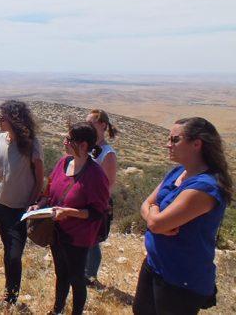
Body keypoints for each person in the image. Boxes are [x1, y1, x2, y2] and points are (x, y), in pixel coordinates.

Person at [133, 117, 232, 315]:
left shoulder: (205, 187)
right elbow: (146, 205)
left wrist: (154, 215)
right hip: (156, 264)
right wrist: (154, 214)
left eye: (175, 139)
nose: (167, 144)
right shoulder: (177, 172)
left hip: (181, 277)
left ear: (197, 144)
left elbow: (156, 223)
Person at [29, 122, 109, 315]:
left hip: (78, 238)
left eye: (69, 139)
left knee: (76, 279)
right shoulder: (63, 163)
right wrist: (38, 206)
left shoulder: (95, 175)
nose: (64, 142)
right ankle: (57, 310)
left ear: (83, 145)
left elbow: (97, 212)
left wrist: (68, 212)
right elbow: (49, 193)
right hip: (57, 232)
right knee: (61, 274)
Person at [0, 100, 44, 309]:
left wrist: (31, 205)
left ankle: (11, 297)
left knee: (15, 253)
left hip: (20, 208)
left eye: (3, 116)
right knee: (8, 249)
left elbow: (39, 180)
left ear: (15, 119)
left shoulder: (32, 144)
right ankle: (9, 295)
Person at [84, 109, 118, 286]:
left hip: (97, 203)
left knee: (93, 240)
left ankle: (90, 276)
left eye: (91, 123)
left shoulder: (107, 153)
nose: (87, 127)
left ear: (103, 125)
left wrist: (96, 204)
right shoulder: (88, 148)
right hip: (83, 201)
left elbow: (110, 185)